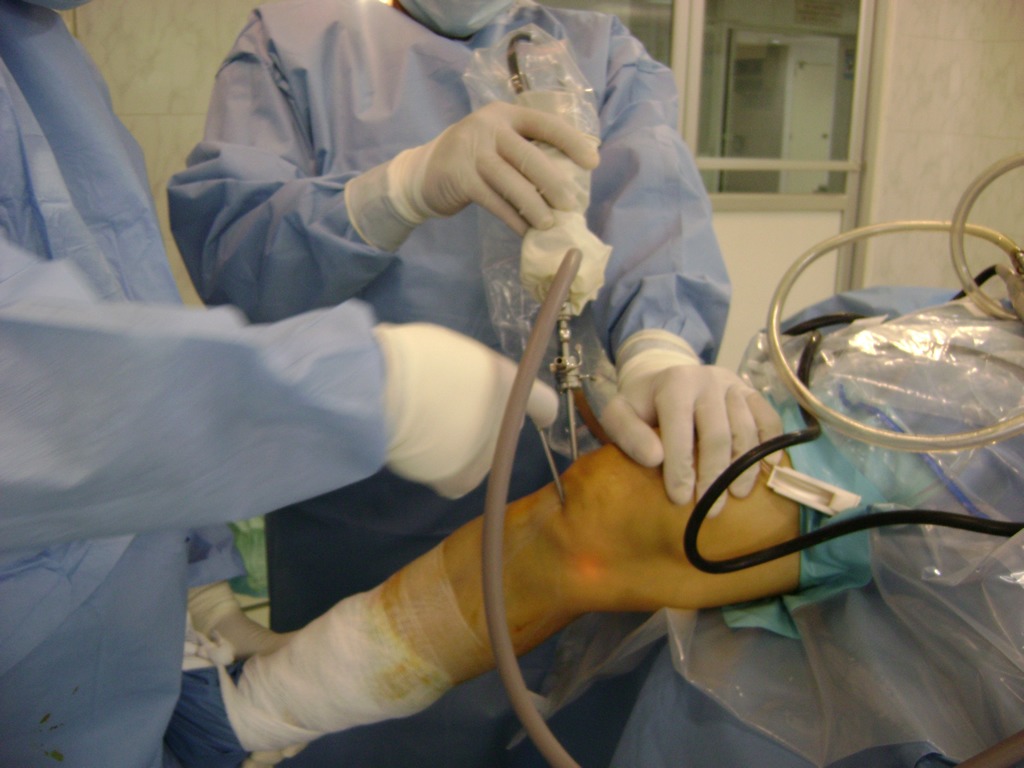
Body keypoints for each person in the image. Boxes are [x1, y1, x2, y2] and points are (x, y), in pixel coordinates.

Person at [168, 1, 782, 763]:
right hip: (364, 514)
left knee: (569, 719)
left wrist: (661, 349)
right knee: (369, 717)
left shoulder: (601, 51)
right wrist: (396, 192)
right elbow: (237, 257)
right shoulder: (295, 45)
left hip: (568, 504)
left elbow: (655, 207)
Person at [0, 2, 559, 765]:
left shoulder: (40, 55)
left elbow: (124, 304)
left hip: (104, 663)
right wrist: (374, 392)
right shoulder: (291, 44)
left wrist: (194, 582)